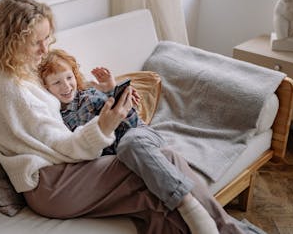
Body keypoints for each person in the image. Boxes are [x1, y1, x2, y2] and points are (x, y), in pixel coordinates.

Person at [0, 0, 246, 234]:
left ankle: (220, 228)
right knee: (162, 159)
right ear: (11, 41)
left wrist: (103, 91)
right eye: (36, 42)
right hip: (52, 184)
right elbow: (64, 148)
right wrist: (105, 125)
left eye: (47, 38)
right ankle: (228, 230)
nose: (44, 50)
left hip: (54, 179)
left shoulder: (14, 73)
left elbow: (33, 125)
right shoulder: (11, 89)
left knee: (155, 196)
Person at [38, 48, 222, 234]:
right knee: (142, 182)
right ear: (45, 88)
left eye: (69, 78)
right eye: (57, 82)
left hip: (140, 136)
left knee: (131, 142)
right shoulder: (56, 119)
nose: (66, 86)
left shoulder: (89, 92)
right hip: (120, 155)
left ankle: (190, 207)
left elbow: (129, 121)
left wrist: (113, 90)